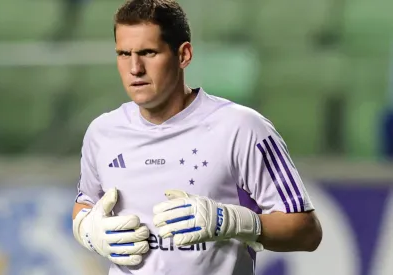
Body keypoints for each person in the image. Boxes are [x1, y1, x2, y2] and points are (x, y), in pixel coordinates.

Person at [71, 0, 323, 274]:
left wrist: (234, 222)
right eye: (123, 53)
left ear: (184, 55)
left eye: (148, 52)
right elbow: (86, 202)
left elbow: (307, 231)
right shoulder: (102, 132)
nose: (135, 68)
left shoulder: (241, 128)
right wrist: (87, 228)